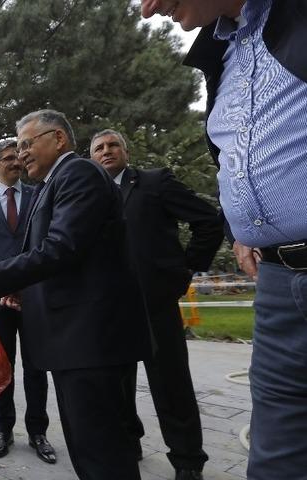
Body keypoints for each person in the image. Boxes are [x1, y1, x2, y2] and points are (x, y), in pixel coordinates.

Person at [141, 2, 307, 478]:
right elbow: (240, 148)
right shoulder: (222, 56)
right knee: (275, 458)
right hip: (276, 284)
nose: (148, 8)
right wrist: (244, 225)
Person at [0, 109, 152, 480]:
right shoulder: (54, 182)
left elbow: (62, 247)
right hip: (74, 341)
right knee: (86, 447)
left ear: (59, 138)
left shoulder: (78, 173)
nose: (22, 154)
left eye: (28, 144)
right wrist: (22, 288)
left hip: (91, 341)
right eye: (17, 147)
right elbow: (67, 259)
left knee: (102, 453)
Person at [91, 129, 223, 480]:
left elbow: (208, 222)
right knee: (117, 384)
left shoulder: (154, 183)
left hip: (155, 304)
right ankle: (128, 443)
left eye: (113, 145)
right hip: (111, 309)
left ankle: (187, 460)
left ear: (126, 151)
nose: (106, 151)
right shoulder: (90, 196)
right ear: (92, 158)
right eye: (99, 148)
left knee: (170, 384)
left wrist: (184, 270)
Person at [0, 139, 56, 464]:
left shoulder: (38, 195)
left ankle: (38, 432)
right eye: (7, 158)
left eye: (17, 157)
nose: (15, 163)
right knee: (0, 368)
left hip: (33, 297)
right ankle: (3, 429)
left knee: (36, 368)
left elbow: (46, 242)